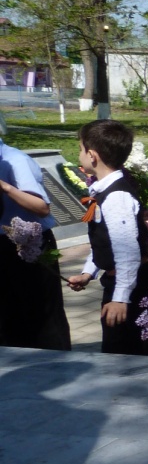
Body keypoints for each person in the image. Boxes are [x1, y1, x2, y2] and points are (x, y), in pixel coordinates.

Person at [67, 120, 148, 357]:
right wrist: (89, 273)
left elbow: (127, 253)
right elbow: (106, 242)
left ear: (92, 155)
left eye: (80, 149)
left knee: (136, 355)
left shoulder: (116, 197)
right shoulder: (104, 190)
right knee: (120, 352)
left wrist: (120, 298)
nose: (79, 154)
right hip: (122, 284)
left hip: (137, 287)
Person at [0, 133, 71, 350]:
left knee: (41, 315)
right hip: (4, 245)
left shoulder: (15, 160)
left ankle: (56, 366)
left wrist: (6, 187)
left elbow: (41, 207)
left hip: (30, 244)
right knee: (9, 316)